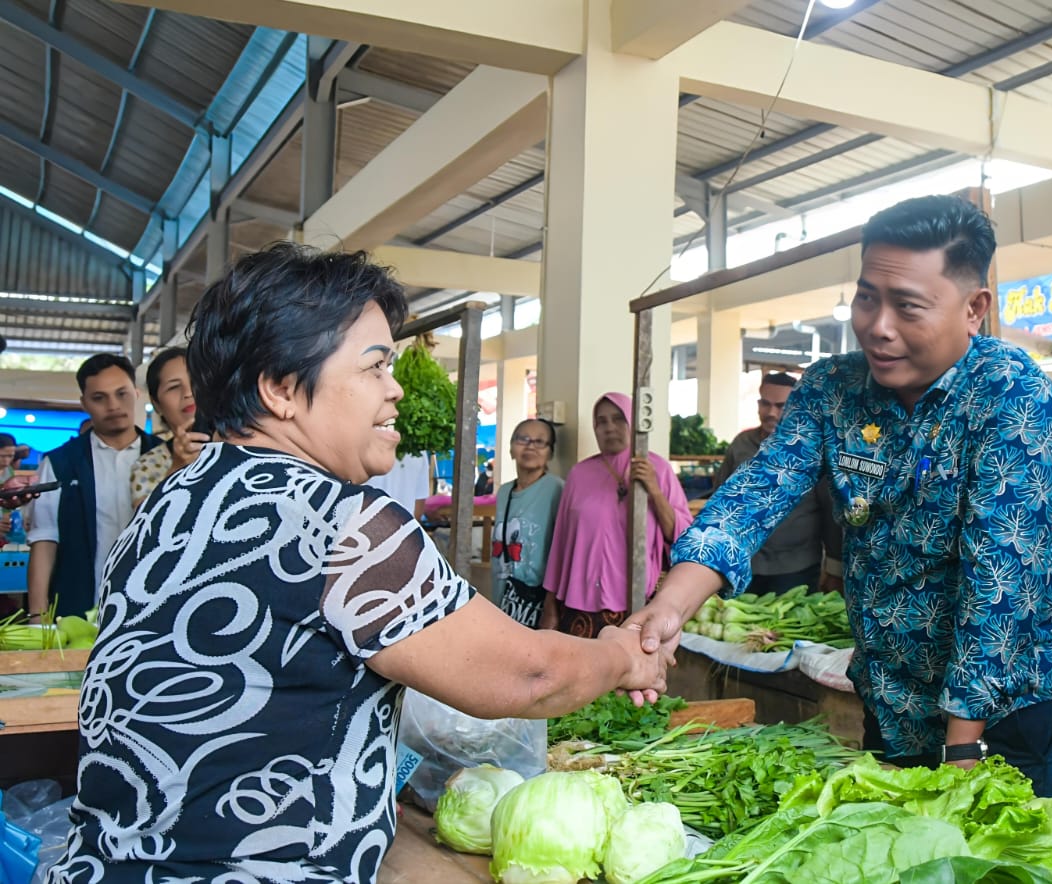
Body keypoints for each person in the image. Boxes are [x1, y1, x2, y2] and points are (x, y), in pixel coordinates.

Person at [47, 244, 666, 884]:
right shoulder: (335, 520)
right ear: (281, 388)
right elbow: (530, 675)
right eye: (375, 367)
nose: (395, 388)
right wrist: (623, 654)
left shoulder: (169, 505)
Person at [627, 195, 1052, 797]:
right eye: (868, 297)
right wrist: (670, 607)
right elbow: (756, 494)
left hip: (1005, 707)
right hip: (892, 698)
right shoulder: (832, 388)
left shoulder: (1013, 397)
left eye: (907, 306)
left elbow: (998, 577)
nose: (878, 326)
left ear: (974, 309)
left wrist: (962, 747)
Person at [541, 393, 691, 637]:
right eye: (601, 421)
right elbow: (561, 543)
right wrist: (550, 604)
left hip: (635, 603)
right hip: (578, 604)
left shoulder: (658, 469)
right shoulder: (580, 474)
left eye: (618, 419)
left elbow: (683, 536)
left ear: (632, 422)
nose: (609, 427)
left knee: (628, 674)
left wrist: (653, 490)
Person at [24, 354, 160, 620]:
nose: (113, 405)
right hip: (78, 610)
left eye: (121, 393)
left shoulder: (165, 458)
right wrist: (37, 616)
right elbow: (44, 539)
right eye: (99, 398)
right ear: (84, 403)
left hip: (153, 607)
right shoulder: (60, 462)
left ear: (136, 393)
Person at [713, 373, 836, 595]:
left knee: (787, 627)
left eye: (781, 406)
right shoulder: (741, 445)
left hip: (796, 567)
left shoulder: (812, 450)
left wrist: (834, 568)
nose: (771, 413)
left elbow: (830, 513)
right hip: (744, 564)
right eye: (765, 404)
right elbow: (720, 499)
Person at [494, 417, 563, 627]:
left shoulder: (557, 490)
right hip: (504, 599)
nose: (530, 446)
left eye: (540, 441)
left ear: (550, 452)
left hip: (538, 604)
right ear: (511, 448)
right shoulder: (504, 492)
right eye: (523, 439)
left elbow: (561, 550)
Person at [129, 347, 210, 509]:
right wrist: (177, 468)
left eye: (195, 381)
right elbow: (146, 526)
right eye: (174, 387)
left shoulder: (242, 441)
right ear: (156, 404)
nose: (188, 393)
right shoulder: (148, 466)